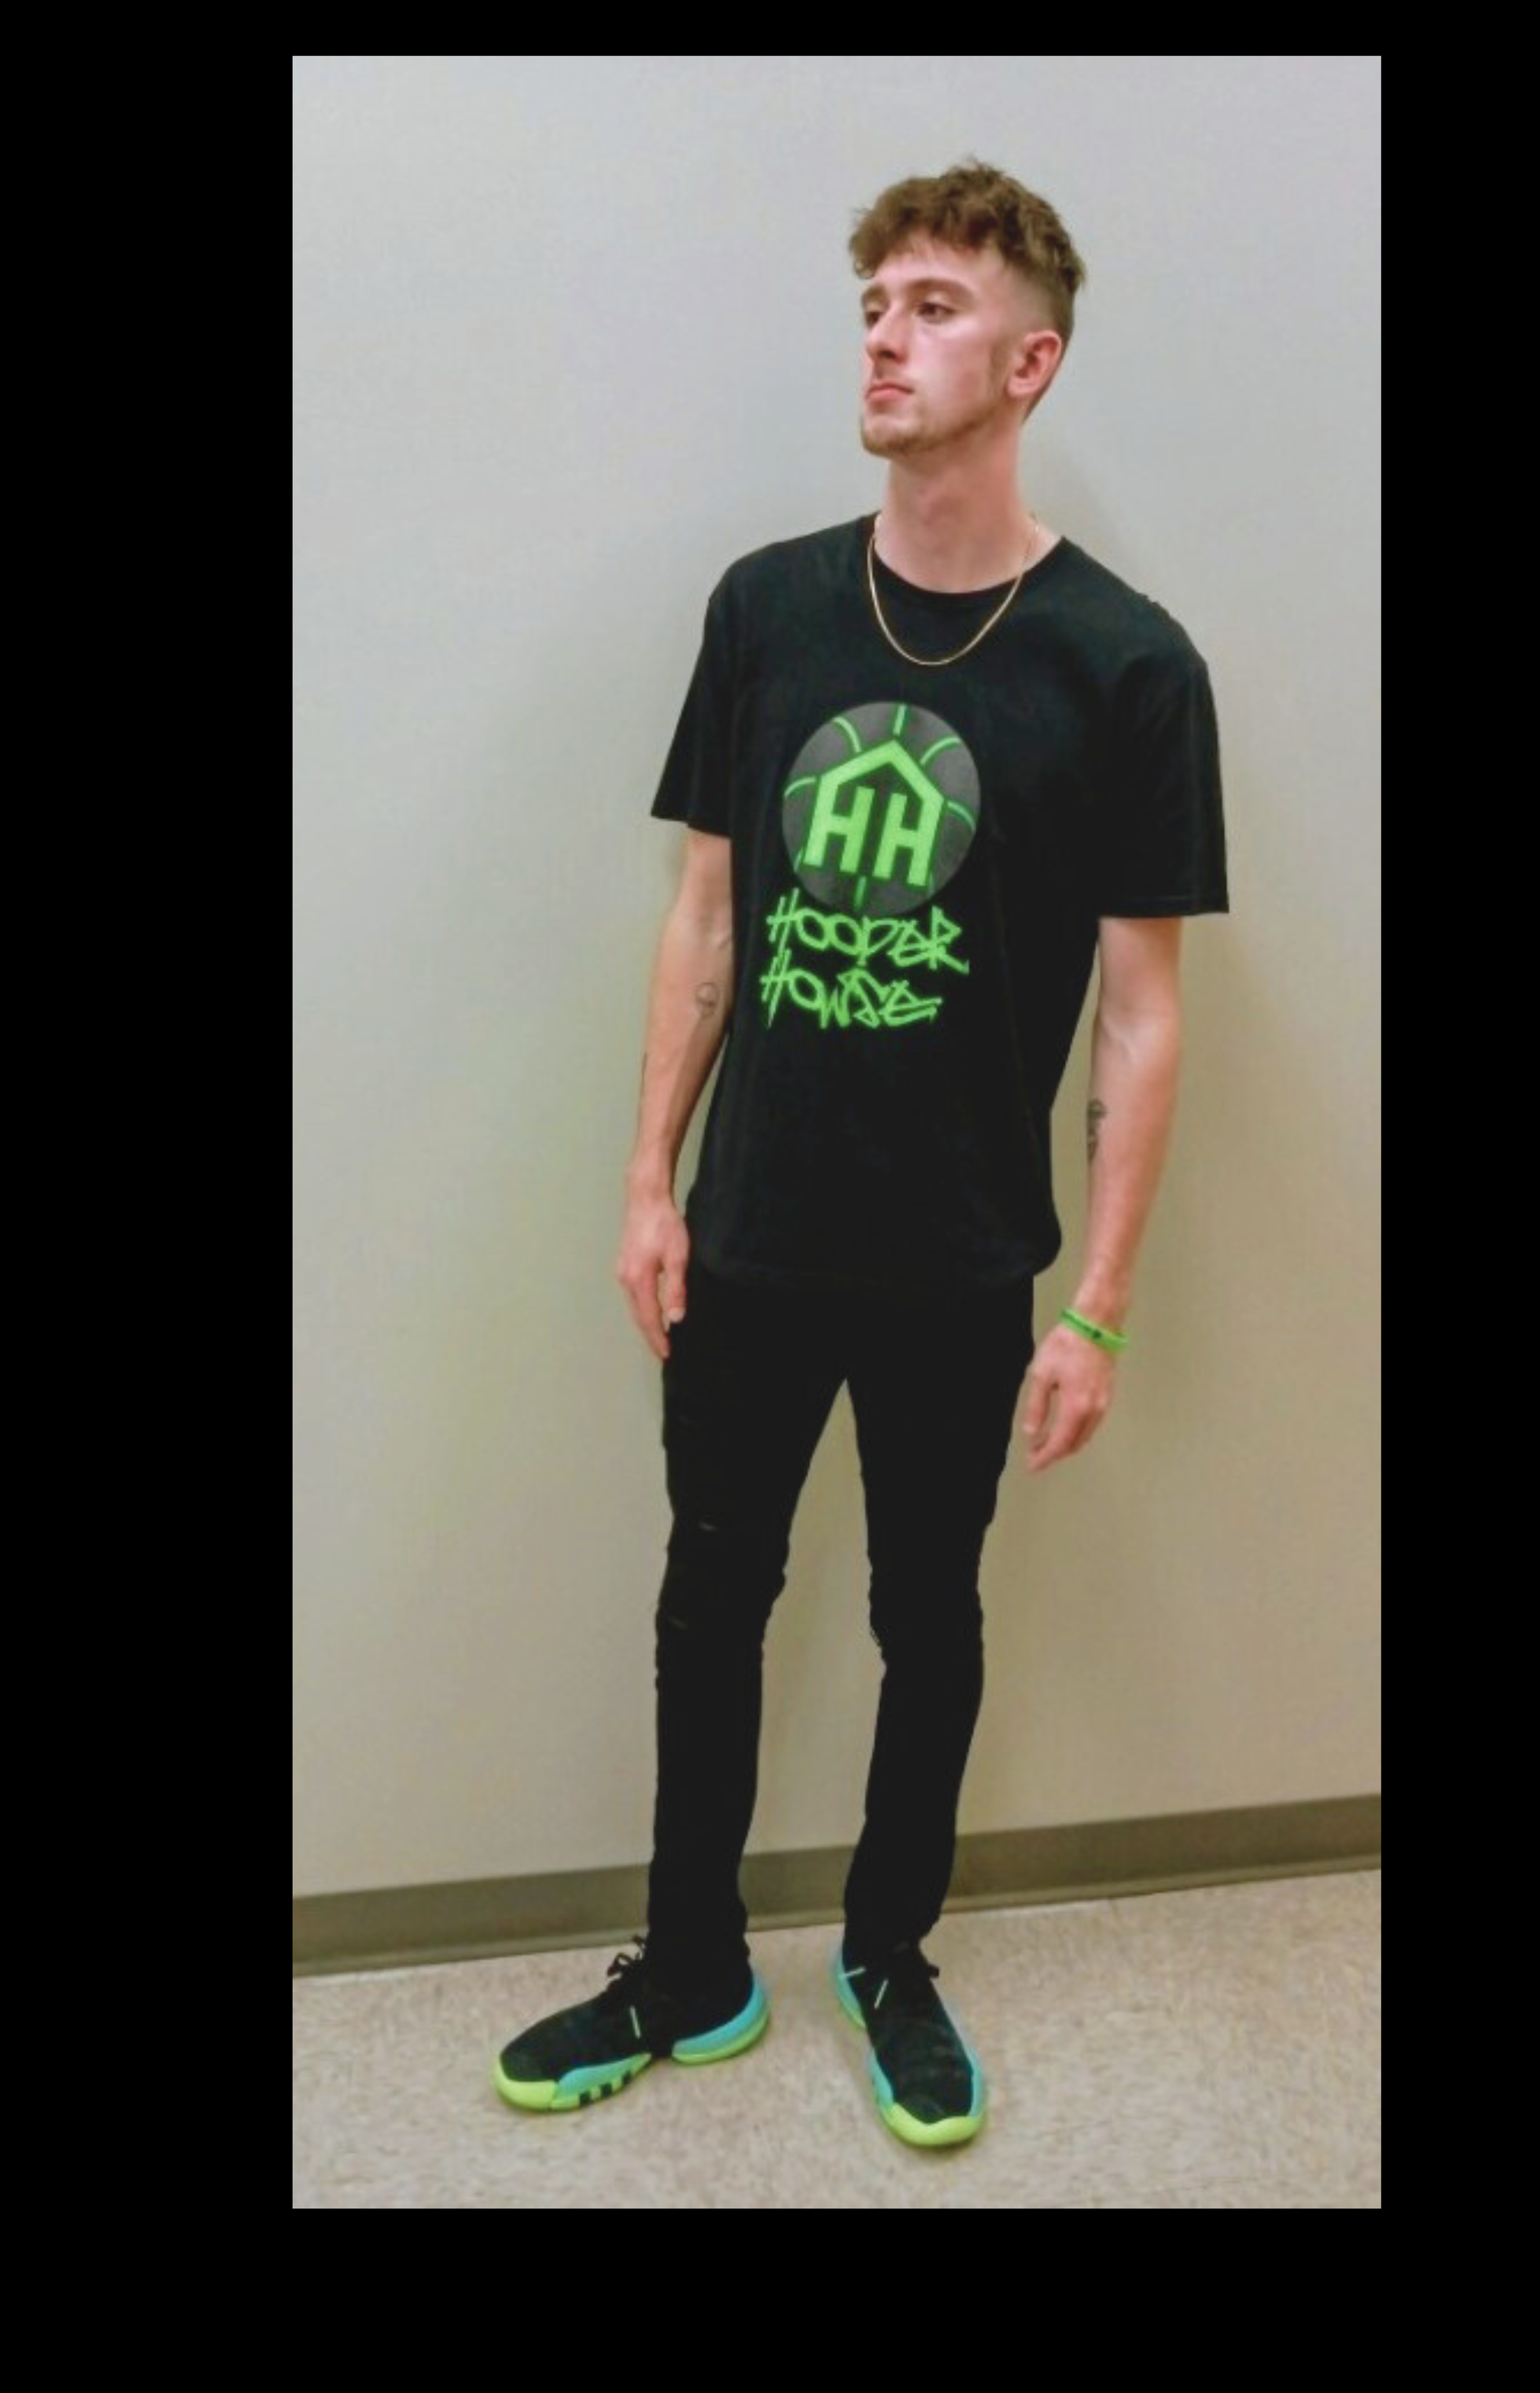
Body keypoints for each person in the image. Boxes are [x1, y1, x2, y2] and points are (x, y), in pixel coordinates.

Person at [494, 158, 1229, 2151]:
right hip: (752, 1229)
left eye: (924, 305)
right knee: (706, 1593)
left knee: (931, 1611)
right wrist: (649, 1178)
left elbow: (1146, 1014)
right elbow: (708, 914)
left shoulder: (1126, 665)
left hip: (959, 1250)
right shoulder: (768, 608)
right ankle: (692, 1966)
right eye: (871, 305)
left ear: (1028, 356)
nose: (882, 338)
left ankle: (891, 1954)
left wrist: (1099, 1304)